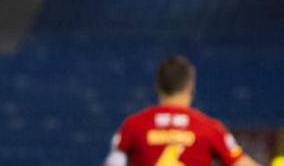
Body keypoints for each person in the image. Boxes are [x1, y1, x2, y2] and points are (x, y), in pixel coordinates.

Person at [104, 55, 260, 166]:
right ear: (190, 87)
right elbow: (241, 163)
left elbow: (114, 163)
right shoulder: (209, 128)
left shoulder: (133, 126)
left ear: (157, 86)